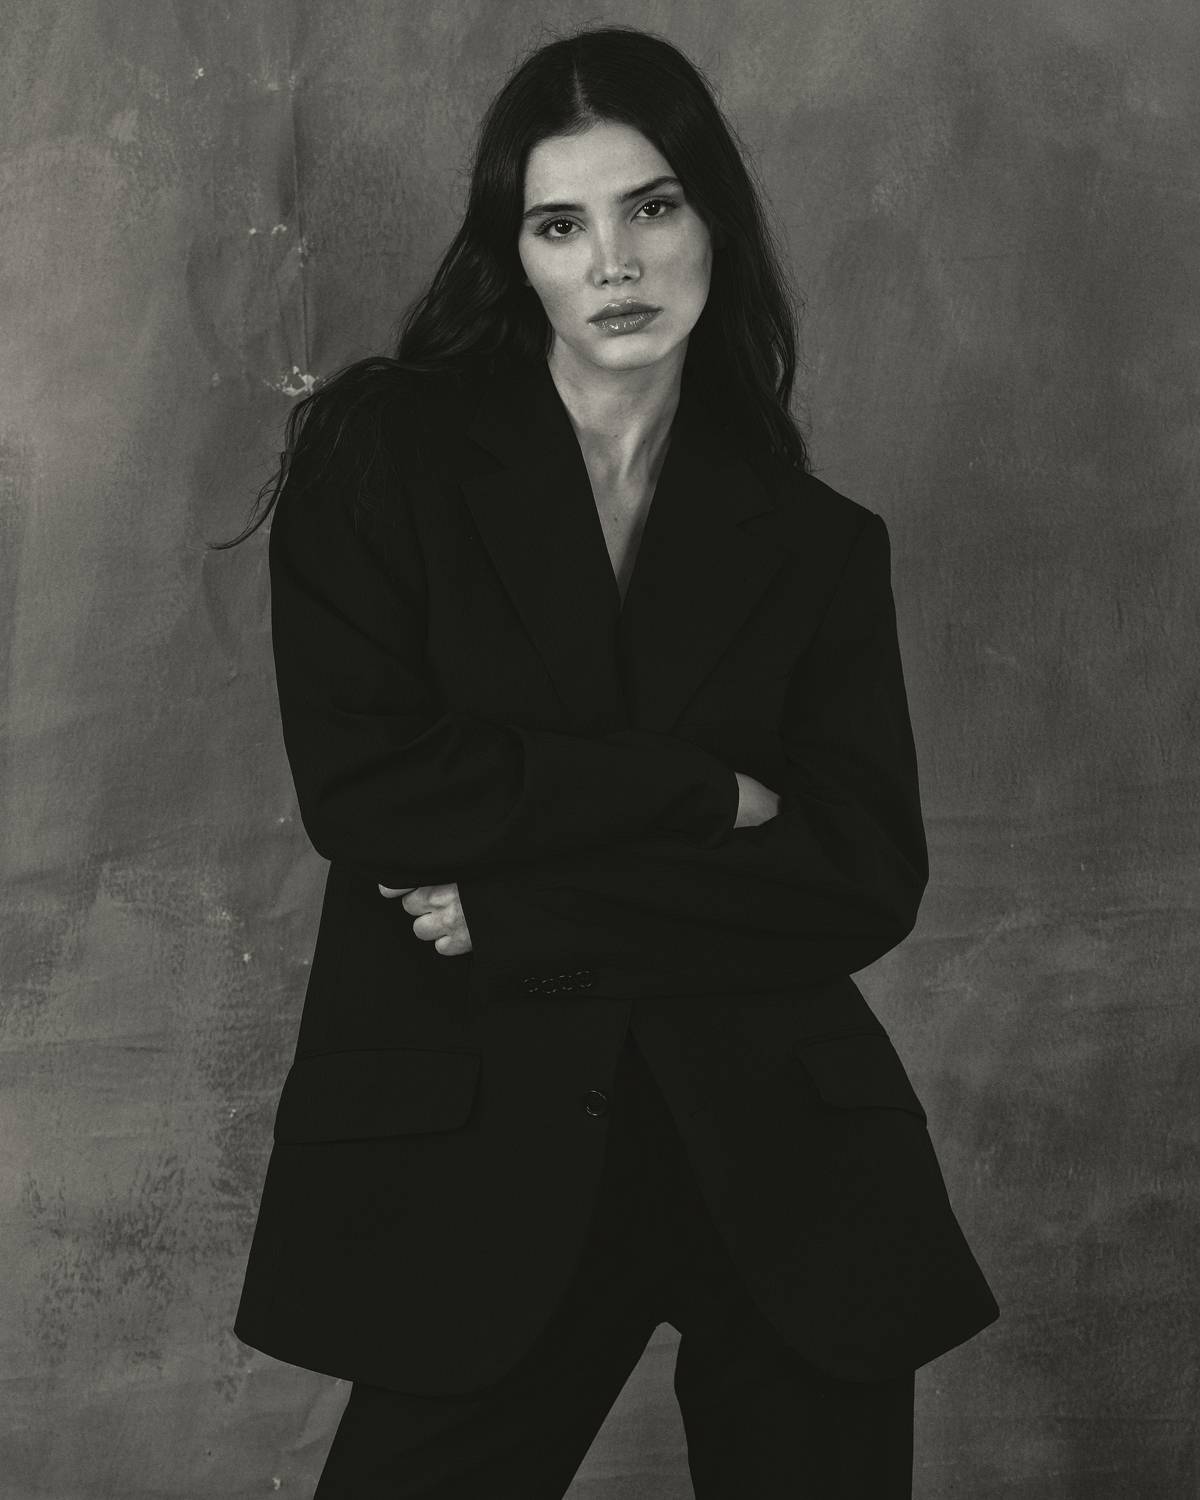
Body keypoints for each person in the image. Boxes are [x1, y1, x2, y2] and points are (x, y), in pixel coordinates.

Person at [215, 23, 999, 1498]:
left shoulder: (819, 545)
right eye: (561, 225)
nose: (616, 263)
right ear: (515, 255)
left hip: (782, 1161)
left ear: (715, 222)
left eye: (652, 207)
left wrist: (530, 910)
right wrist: (698, 795)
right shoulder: (384, 452)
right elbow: (374, 791)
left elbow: (860, 874)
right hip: (482, 1146)